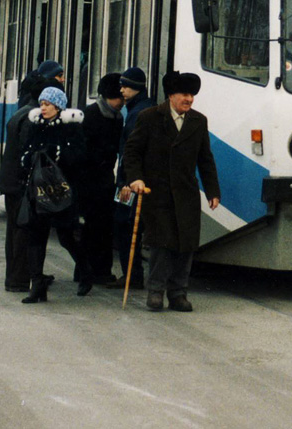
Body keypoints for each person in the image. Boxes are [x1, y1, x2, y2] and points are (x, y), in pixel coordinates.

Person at [122, 70, 221, 313]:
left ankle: (178, 293)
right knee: (161, 243)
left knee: (185, 245)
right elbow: (132, 152)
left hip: (186, 193)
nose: (189, 99)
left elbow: (205, 159)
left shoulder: (198, 121)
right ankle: (155, 292)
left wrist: (212, 191)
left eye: (192, 95)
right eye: (185, 95)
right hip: (157, 192)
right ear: (171, 96)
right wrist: (135, 178)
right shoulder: (149, 117)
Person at [17, 86, 88, 304]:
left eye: (47, 104)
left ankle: (85, 271)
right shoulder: (37, 125)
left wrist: (60, 154)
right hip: (38, 192)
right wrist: (28, 157)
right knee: (36, 237)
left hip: (61, 193)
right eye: (42, 104)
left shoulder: (72, 128)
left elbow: (80, 158)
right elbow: (26, 150)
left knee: (66, 237)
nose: (43, 108)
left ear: (58, 106)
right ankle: (37, 285)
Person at [106, 66, 155, 289]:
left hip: (129, 183)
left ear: (136, 88)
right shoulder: (141, 108)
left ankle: (131, 275)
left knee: (124, 225)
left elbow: (131, 152)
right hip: (132, 179)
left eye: (126, 86)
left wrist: (125, 182)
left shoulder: (138, 113)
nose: (122, 90)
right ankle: (132, 274)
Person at [79, 73, 125, 294]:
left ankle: (99, 269)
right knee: (93, 227)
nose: (122, 103)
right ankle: (90, 270)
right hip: (90, 180)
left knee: (103, 227)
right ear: (109, 96)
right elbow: (85, 149)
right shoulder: (92, 114)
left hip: (105, 178)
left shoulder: (116, 116)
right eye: (120, 98)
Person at [0, 76, 40, 292]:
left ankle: (13, 278)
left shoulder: (20, 112)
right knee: (22, 232)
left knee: (14, 231)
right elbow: (26, 153)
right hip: (20, 185)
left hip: (10, 182)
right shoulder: (32, 116)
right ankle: (19, 279)